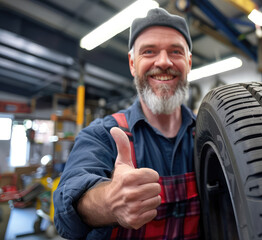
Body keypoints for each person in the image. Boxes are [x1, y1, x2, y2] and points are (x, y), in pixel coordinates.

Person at [53, 8, 200, 239]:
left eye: (176, 51)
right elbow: (64, 218)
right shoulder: (102, 135)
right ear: (132, 63)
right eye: (149, 51)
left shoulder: (213, 136)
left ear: (189, 62)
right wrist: (108, 200)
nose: (163, 61)